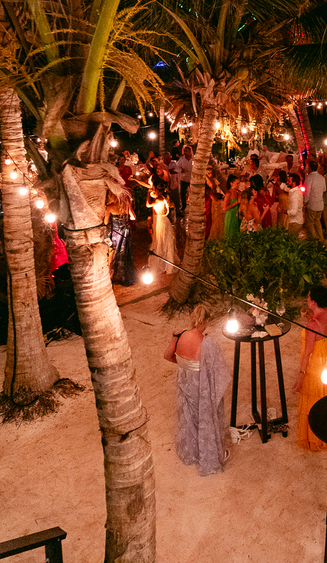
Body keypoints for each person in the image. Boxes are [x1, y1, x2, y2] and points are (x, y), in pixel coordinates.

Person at [166, 304, 231, 475]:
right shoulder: (207, 343)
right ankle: (208, 456)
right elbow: (220, 370)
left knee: (188, 418)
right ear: (206, 320)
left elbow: (167, 355)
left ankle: (191, 452)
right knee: (205, 417)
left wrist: (185, 365)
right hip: (200, 386)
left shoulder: (180, 336)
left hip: (185, 381)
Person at [296, 286, 327, 451]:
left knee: (312, 398)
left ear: (313, 302)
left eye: (308, 298)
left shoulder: (312, 325)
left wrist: (301, 375)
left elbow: (307, 354)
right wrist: (310, 316)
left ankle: (314, 438)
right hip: (326, 358)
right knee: (324, 394)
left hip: (314, 364)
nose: (306, 300)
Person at [104, 190, 136, 285]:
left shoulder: (109, 207)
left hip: (116, 232)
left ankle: (113, 275)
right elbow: (133, 217)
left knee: (114, 253)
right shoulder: (125, 205)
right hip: (126, 231)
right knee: (125, 252)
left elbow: (105, 223)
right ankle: (125, 275)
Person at [150, 189, 177, 273]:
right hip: (161, 220)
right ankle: (165, 264)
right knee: (162, 241)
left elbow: (148, 205)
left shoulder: (159, 199)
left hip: (162, 221)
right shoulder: (161, 198)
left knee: (164, 242)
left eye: (156, 190)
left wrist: (148, 194)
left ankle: (166, 265)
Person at [304, 161, 327, 241]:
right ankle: (321, 239)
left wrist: (304, 202)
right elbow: (324, 189)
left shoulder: (309, 177)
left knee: (310, 224)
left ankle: (314, 240)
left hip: (312, 204)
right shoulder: (322, 178)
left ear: (309, 168)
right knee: (317, 222)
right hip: (320, 204)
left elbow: (307, 192)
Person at [174, 145, 194, 213]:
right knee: (183, 193)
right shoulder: (182, 159)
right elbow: (177, 167)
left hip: (192, 178)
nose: (185, 152)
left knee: (193, 192)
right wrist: (181, 170)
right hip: (184, 178)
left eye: (187, 151)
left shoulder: (194, 158)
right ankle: (183, 206)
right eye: (184, 151)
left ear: (190, 151)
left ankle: (193, 206)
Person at [286, 172, 305, 238]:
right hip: (296, 221)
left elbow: (294, 212)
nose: (287, 182)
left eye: (289, 181)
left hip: (295, 222)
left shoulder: (295, 195)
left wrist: (283, 211)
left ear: (294, 183)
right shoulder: (294, 191)